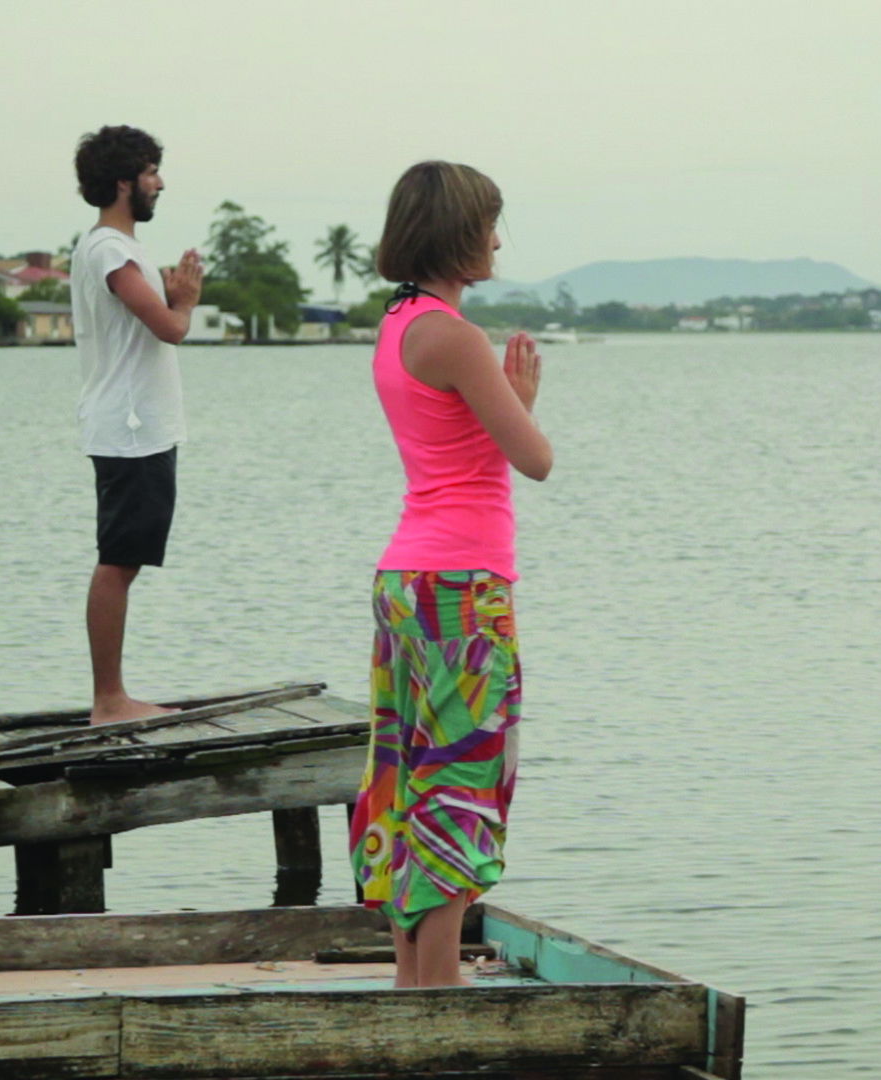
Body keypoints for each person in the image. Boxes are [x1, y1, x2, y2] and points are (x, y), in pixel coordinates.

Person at [348, 161, 552, 988]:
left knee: (407, 771)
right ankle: (436, 982)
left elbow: (458, 449)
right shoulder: (456, 337)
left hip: (407, 577)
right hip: (462, 584)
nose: (498, 239)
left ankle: (412, 973)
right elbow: (532, 461)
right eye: (490, 224)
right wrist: (520, 401)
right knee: (462, 775)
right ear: (459, 232)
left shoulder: (399, 323)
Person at [69, 125, 203, 725]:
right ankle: (109, 700)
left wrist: (172, 293)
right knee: (118, 560)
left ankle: (113, 695)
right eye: (151, 172)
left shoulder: (114, 248)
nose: (160, 182)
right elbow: (169, 329)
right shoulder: (111, 252)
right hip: (128, 427)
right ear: (124, 181)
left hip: (136, 425)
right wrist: (185, 300)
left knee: (125, 558)